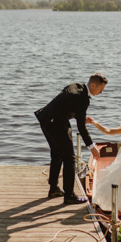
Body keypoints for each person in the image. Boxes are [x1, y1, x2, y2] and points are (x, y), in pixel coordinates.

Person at [35, 73, 108, 204]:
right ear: (93, 85)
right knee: (69, 159)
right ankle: (69, 195)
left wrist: (79, 116)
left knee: (57, 154)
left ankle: (54, 189)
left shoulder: (77, 86)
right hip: (56, 123)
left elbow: (65, 105)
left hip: (46, 118)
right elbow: (81, 127)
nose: (101, 92)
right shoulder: (83, 98)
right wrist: (92, 147)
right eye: (100, 89)